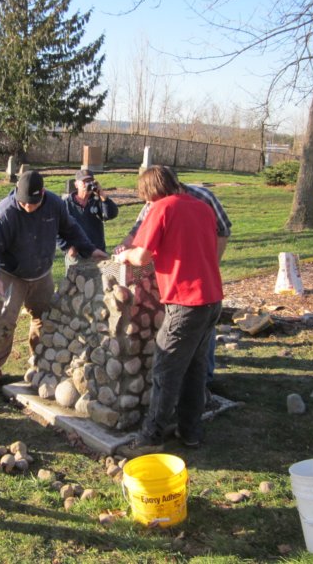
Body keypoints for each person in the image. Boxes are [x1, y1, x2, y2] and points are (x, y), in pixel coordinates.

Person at [115, 166, 223, 457]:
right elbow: (185, 249)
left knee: (165, 370)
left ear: (150, 192)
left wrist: (123, 255)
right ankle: (190, 431)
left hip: (186, 303)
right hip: (212, 300)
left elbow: (141, 256)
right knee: (195, 369)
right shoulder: (202, 208)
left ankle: (151, 437)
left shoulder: (161, 209)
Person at [0, 170, 108, 392]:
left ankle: (38, 362)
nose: (29, 207)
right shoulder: (5, 213)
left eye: (34, 203)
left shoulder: (54, 204)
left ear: (44, 193)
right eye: (24, 203)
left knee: (44, 318)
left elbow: (70, 229)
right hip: (11, 275)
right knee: (4, 322)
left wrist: (90, 249)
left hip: (41, 274)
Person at [116, 173, 231, 386]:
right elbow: (138, 232)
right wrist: (122, 248)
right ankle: (197, 397)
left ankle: (162, 415)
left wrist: (211, 264)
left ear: (156, 191)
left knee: (166, 366)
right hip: (209, 294)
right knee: (196, 357)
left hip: (187, 295)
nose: (148, 205)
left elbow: (223, 230)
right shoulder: (167, 206)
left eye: (149, 200)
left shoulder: (194, 200)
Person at [59, 169, 118, 271]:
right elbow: (56, 228)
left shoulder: (97, 201)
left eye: (90, 181)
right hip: (76, 255)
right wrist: (68, 249)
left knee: (98, 284)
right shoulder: (66, 204)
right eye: (85, 181)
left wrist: (102, 195)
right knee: (75, 285)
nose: (88, 184)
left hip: (97, 252)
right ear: (76, 184)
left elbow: (111, 214)